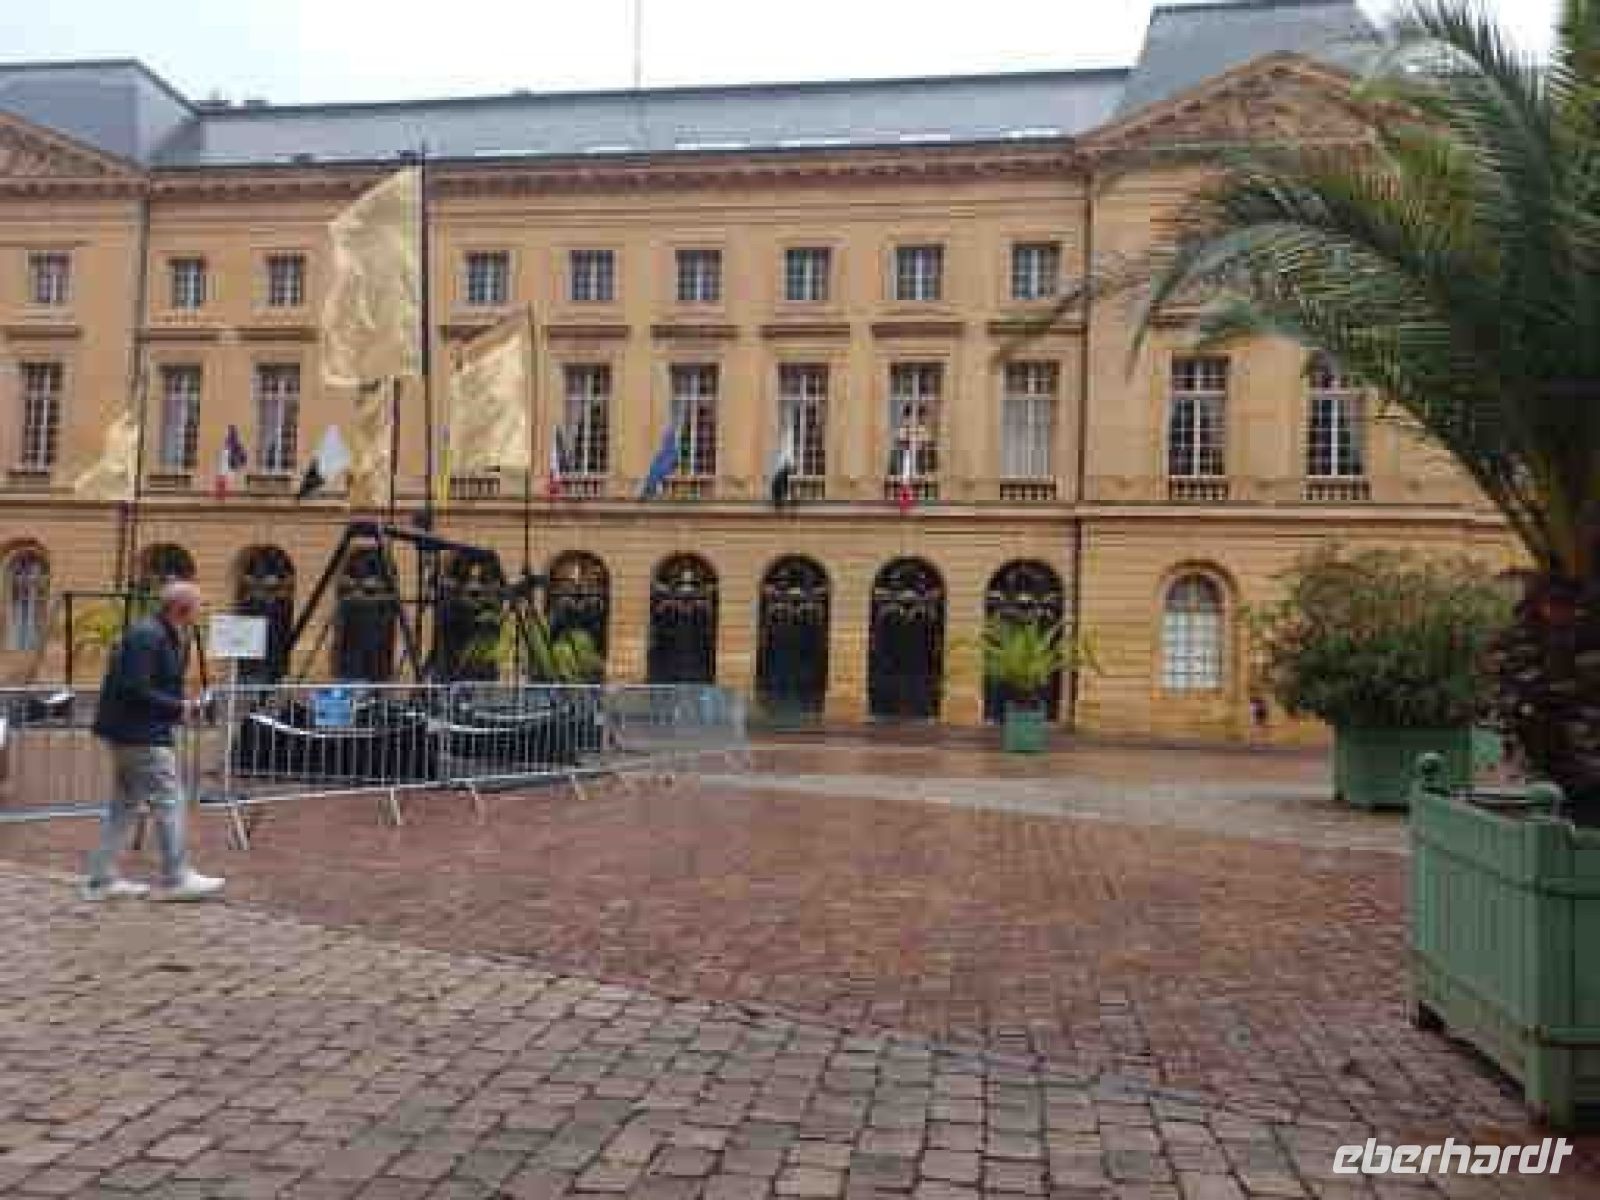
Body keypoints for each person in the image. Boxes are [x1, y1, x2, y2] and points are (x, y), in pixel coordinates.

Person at [82, 581, 225, 902]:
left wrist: (177, 708)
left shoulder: (159, 633)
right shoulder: (149, 635)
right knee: (169, 799)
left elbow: (145, 685)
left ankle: (101, 879)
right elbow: (135, 686)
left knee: (124, 806)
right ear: (182, 608)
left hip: (134, 731)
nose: (201, 612)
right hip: (140, 734)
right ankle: (176, 877)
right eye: (199, 605)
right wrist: (179, 707)